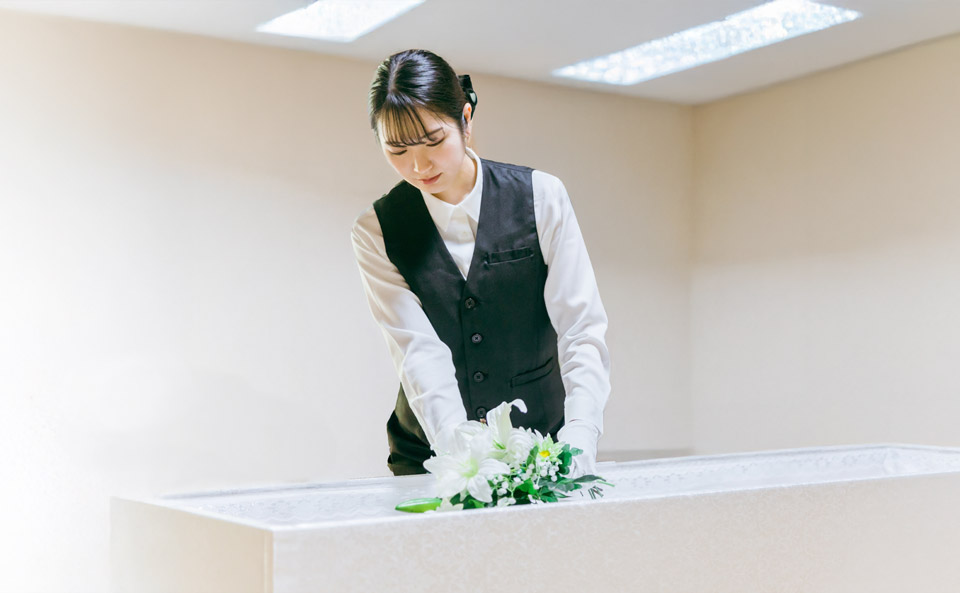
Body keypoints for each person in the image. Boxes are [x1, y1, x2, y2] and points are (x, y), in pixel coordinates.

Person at [351, 49, 610, 478]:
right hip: (431, 452)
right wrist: (464, 462)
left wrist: (581, 435)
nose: (418, 165)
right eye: (397, 149)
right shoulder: (376, 229)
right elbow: (418, 353)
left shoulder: (541, 197)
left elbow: (581, 328)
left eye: (434, 141)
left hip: (542, 442)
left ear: (465, 120)